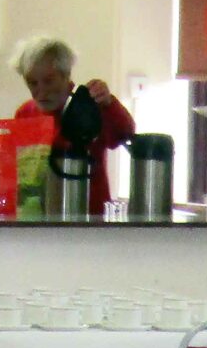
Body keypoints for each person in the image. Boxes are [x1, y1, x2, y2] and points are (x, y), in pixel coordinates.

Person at [11, 35, 134, 216]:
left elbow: (124, 133)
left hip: (88, 220)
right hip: (38, 221)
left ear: (66, 75)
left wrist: (108, 104)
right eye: (32, 83)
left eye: (49, 81)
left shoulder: (88, 107)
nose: (41, 91)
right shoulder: (25, 114)